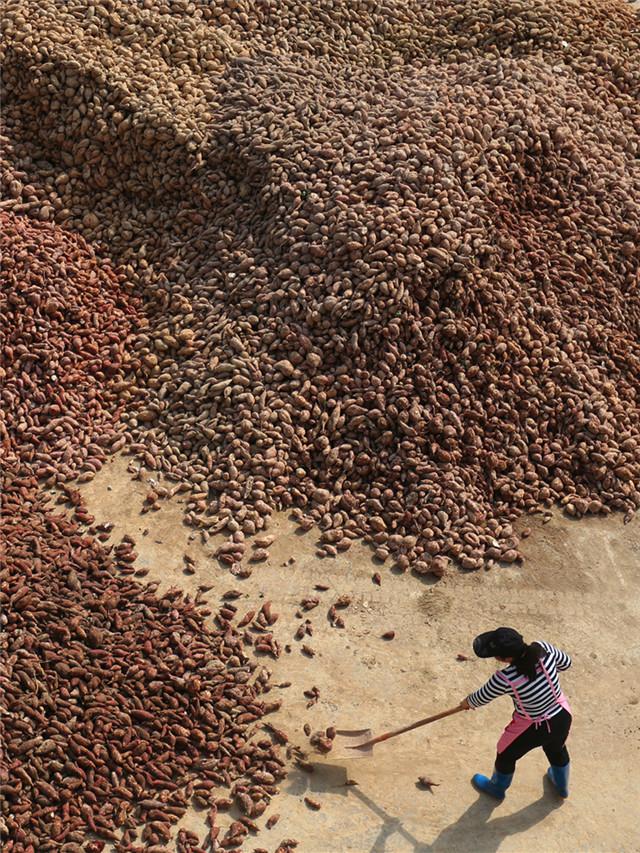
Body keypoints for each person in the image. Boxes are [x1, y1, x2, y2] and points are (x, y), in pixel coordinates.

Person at [459, 627, 572, 801]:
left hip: (533, 726)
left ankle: (497, 787)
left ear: (506, 659)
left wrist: (466, 703)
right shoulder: (544, 649)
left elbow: (480, 698)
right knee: (556, 749)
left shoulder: (505, 678)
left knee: (505, 754)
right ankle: (562, 786)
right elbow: (566, 663)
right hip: (562, 715)